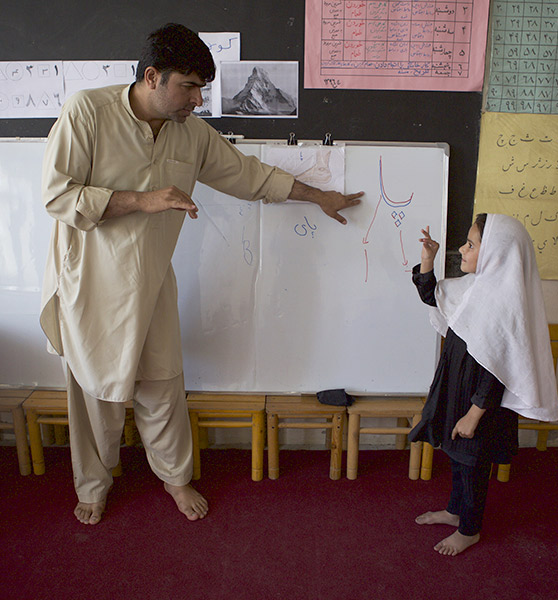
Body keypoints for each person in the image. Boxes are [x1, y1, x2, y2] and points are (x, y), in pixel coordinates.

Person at [40, 23, 363, 526]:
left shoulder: (192, 133)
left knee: (163, 385)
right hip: (91, 283)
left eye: (201, 88)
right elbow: (58, 196)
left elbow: (248, 175)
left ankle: (175, 477)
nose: (197, 99)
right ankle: (93, 485)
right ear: (153, 76)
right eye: (189, 87)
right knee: (95, 395)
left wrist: (319, 195)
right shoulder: (87, 111)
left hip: (152, 282)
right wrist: (145, 201)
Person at [408, 213, 558, 555]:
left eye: (472, 245)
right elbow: (433, 296)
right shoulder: (473, 290)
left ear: (496, 253)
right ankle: (455, 510)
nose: (462, 248)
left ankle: (470, 529)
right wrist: (428, 259)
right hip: (460, 391)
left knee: (474, 463)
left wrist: (474, 414)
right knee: (458, 456)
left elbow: (498, 369)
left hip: (482, 404)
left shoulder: (505, 305)